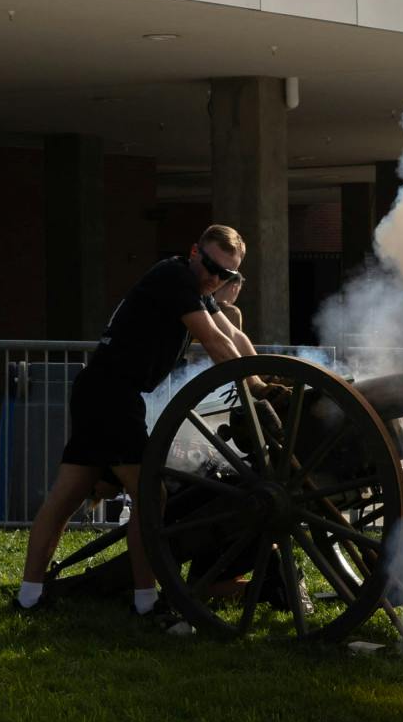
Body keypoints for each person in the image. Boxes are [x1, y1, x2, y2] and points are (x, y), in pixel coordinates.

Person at [15, 225, 256, 617]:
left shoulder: (198, 288)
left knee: (66, 497)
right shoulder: (176, 276)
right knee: (149, 496)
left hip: (103, 392)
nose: (215, 278)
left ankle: (29, 597)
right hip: (111, 394)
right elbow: (213, 342)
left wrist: (259, 381)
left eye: (226, 274)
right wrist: (256, 385)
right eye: (211, 266)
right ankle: (145, 603)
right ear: (195, 252)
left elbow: (233, 336)